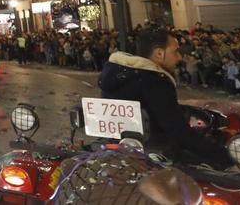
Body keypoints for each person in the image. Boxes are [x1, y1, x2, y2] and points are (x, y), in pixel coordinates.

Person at [99, 29, 231, 167]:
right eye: (175, 51)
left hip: (125, 155)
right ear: (159, 53)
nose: (179, 57)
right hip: (158, 159)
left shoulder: (118, 76)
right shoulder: (154, 81)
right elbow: (178, 132)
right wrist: (226, 157)